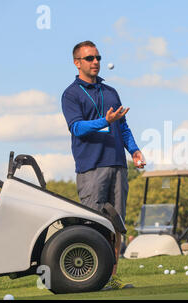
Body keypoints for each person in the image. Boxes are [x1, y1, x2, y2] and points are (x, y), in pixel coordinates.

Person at [61, 40, 145, 289]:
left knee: (116, 225)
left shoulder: (111, 92)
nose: (95, 61)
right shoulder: (71, 94)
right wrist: (102, 121)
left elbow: (123, 125)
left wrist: (135, 150)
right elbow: (76, 127)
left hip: (118, 165)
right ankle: (91, 281)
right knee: (93, 225)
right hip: (91, 168)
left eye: (97, 57)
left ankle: (111, 278)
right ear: (77, 63)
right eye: (89, 58)